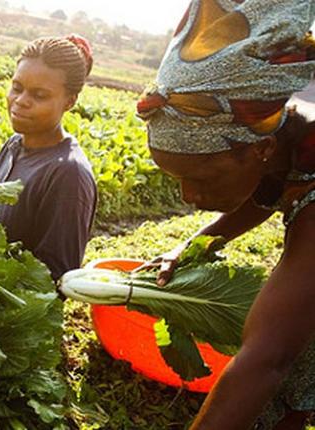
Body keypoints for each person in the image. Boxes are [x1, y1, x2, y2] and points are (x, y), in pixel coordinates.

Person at [136, 0, 315, 428]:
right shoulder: (283, 139)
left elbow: (266, 360)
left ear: (260, 150)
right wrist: (197, 242)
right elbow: (266, 191)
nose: (188, 196)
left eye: (201, 178)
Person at [0, 35, 97, 281]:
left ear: (69, 102)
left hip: (12, 315)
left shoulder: (69, 174)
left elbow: (55, 279)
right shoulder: (13, 146)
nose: (20, 101)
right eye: (17, 88)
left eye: (39, 96)